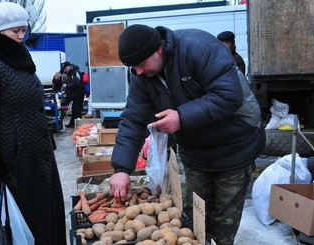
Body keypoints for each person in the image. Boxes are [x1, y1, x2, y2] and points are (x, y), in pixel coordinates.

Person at [109, 24, 265, 245]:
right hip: (196, 153)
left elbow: (229, 95)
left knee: (223, 221)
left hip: (235, 146)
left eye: (142, 64)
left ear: (158, 50)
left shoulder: (199, 48)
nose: (139, 72)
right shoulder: (142, 75)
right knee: (193, 219)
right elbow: (133, 120)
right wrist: (122, 168)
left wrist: (181, 117)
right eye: (134, 68)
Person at [0, 2, 66, 244]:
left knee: (42, 227)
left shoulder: (19, 58)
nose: (21, 36)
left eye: (23, 30)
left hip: (36, 161)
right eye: (15, 31)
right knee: (10, 232)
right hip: (9, 168)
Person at [59, 61, 85, 128]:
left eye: (66, 67)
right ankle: (73, 123)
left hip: (79, 93)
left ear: (69, 66)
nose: (65, 69)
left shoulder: (75, 72)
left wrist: (66, 86)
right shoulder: (70, 73)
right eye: (64, 68)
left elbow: (76, 83)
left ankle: (77, 123)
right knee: (74, 108)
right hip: (75, 94)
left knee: (77, 109)